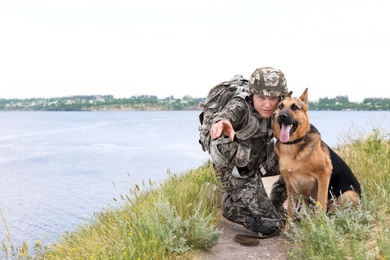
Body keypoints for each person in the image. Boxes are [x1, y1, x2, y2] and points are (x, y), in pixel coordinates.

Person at [209, 67, 288, 237]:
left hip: (257, 162)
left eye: (273, 98)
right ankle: (226, 203)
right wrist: (222, 123)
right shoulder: (240, 106)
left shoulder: (280, 108)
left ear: (280, 97)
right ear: (252, 94)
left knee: (297, 163)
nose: (267, 104)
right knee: (273, 226)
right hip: (236, 173)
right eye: (261, 98)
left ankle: (276, 200)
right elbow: (226, 115)